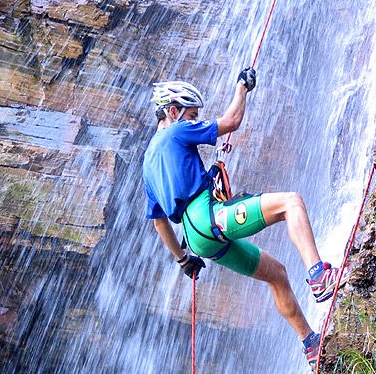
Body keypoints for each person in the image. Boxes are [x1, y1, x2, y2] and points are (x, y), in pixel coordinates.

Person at [142, 68, 349, 370]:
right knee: (292, 203)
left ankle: (311, 345)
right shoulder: (175, 130)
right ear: (173, 112)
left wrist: (183, 259)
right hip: (210, 217)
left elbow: (160, 222)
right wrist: (242, 87)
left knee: (276, 274)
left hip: (198, 238)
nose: (194, 120)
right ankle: (319, 275)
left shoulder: (148, 163)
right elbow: (231, 122)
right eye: (191, 114)